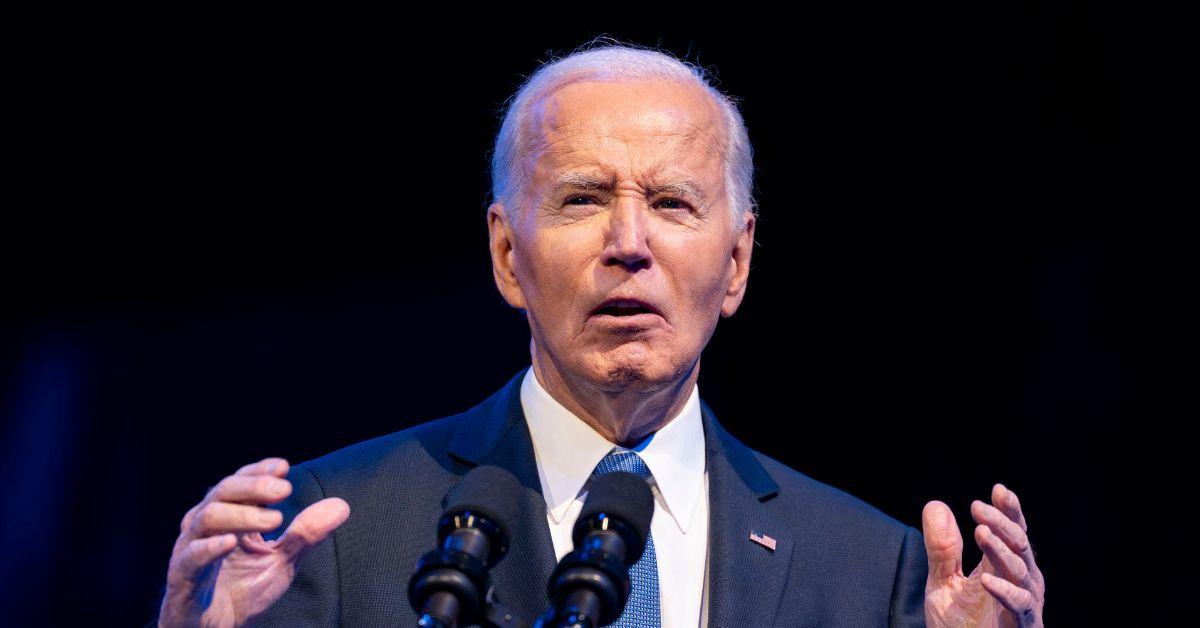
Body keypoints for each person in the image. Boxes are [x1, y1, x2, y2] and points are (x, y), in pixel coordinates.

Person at [157, 42, 1046, 627]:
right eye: (582, 200)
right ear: (508, 256)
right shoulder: (339, 531)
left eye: (671, 203)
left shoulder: (868, 568)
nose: (629, 243)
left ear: (737, 262)